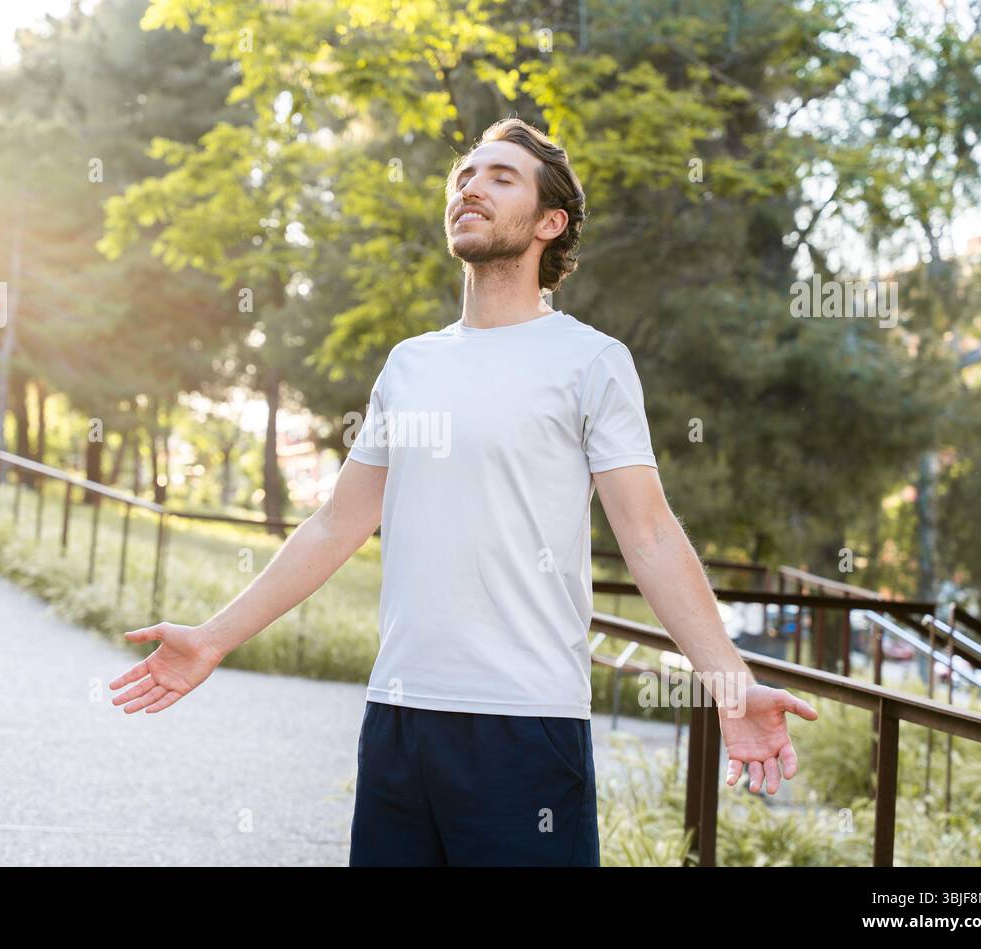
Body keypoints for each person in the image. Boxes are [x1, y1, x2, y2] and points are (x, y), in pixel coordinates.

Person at [109, 117, 819, 866]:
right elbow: (335, 526)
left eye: (500, 177)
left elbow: (648, 535)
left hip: (525, 727)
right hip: (399, 721)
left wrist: (730, 686)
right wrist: (214, 637)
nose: (471, 187)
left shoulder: (591, 362)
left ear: (550, 223)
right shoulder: (410, 365)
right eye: (464, 176)